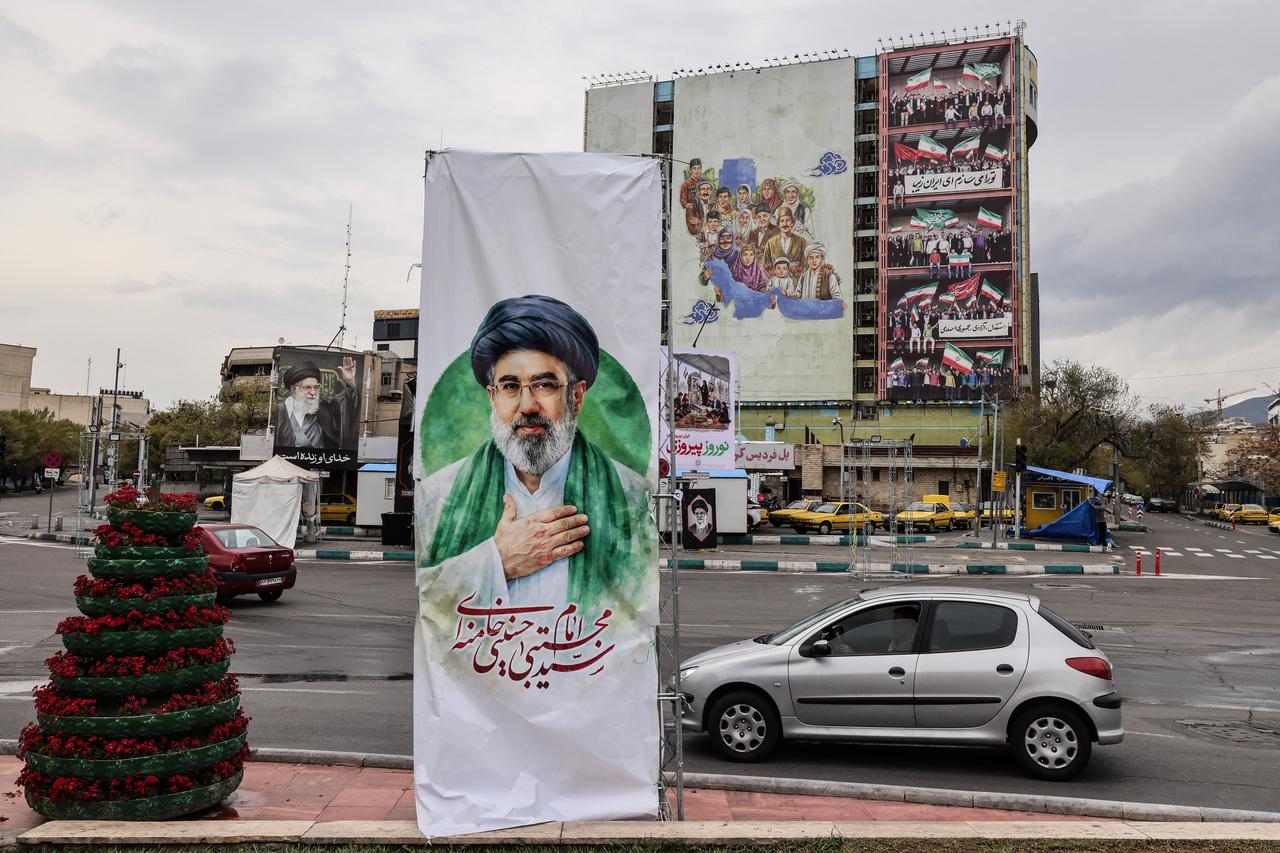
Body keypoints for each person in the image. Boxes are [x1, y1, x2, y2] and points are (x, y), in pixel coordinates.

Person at [417, 295, 650, 614]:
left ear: (577, 396)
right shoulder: (440, 497)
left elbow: (636, 609)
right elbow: (428, 600)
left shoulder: (630, 497)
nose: (527, 406)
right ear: (492, 397)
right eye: (510, 386)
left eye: (544, 385)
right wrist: (497, 561)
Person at [274, 357, 359, 452]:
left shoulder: (325, 409)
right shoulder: (280, 412)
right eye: (307, 387)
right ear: (293, 389)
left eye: (316, 387)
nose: (313, 392)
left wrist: (350, 382)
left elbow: (346, 406)